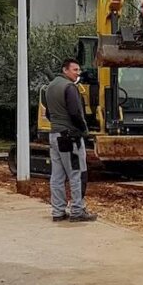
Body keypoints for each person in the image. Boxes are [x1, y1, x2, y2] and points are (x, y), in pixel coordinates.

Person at [46, 58, 96, 223]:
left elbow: (48, 113)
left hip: (54, 136)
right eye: (75, 70)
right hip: (70, 137)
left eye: (78, 70)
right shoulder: (69, 87)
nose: (78, 73)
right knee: (77, 173)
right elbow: (75, 113)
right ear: (65, 70)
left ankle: (58, 211)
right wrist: (83, 130)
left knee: (57, 176)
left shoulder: (50, 87)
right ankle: (77, 211)